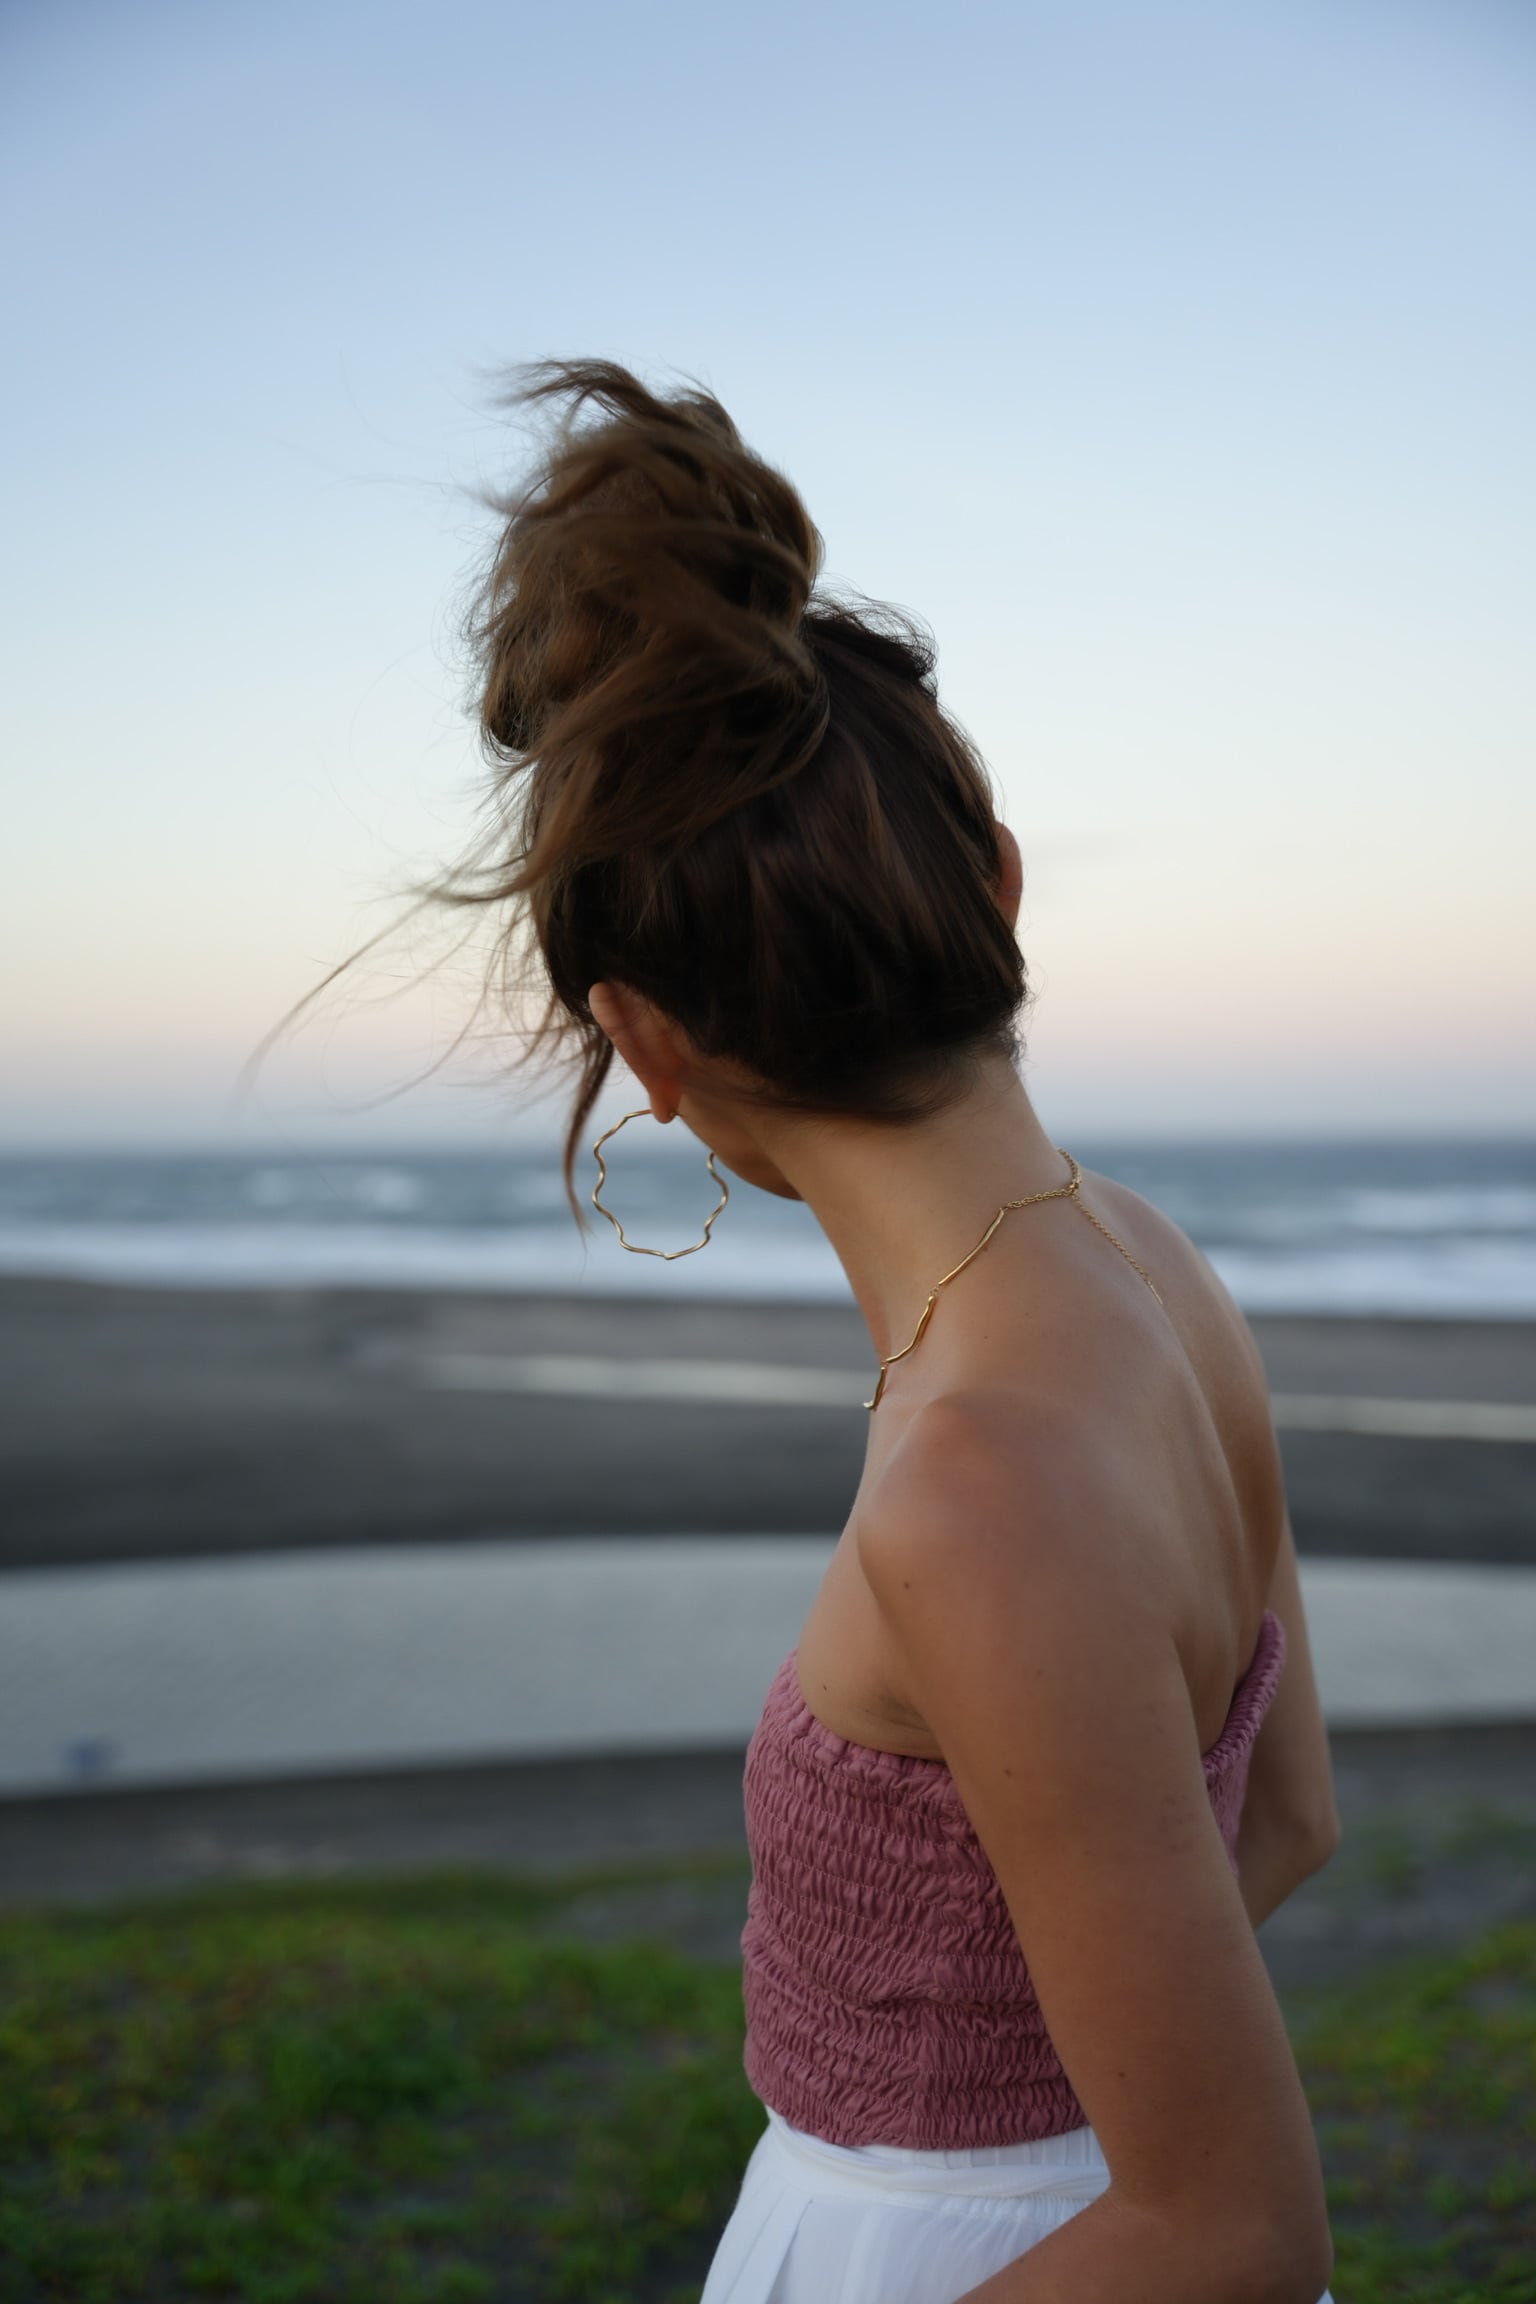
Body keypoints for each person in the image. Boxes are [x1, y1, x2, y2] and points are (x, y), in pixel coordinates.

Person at [458, 361, 1340, 2303]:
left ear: (646, 1044)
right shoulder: (1159, 1268)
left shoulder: (979, 1486)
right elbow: (1285, 1816)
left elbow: (1232, 2231)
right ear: (999, 880)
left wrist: (979, 2162)